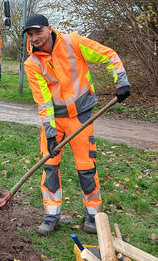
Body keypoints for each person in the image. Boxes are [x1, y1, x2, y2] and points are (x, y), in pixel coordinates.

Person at [22, 14, 130, 236]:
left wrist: (121, 81)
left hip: (82, 117)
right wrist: (50, 132)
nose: (35, 38)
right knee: (50, 166)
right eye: (31, 35)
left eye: (38, 32)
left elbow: (108, 55)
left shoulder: (74, 42)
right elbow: (43, 100)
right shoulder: (32, 63)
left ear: (49, 29)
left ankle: (93, 215)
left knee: (86, 167)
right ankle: (51, 216)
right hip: (55, 122)